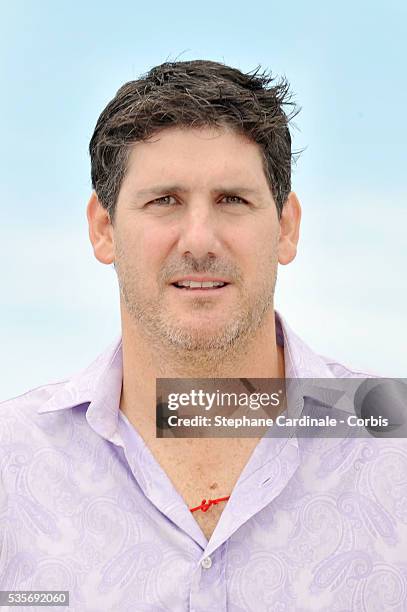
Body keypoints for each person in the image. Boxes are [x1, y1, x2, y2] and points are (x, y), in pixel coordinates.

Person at [1, 60, 406, 611]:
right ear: (103, 229)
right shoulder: (12, 462)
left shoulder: (392, 443)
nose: (199, 239)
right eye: (164, 200)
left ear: (286, 228)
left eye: (232, 200)